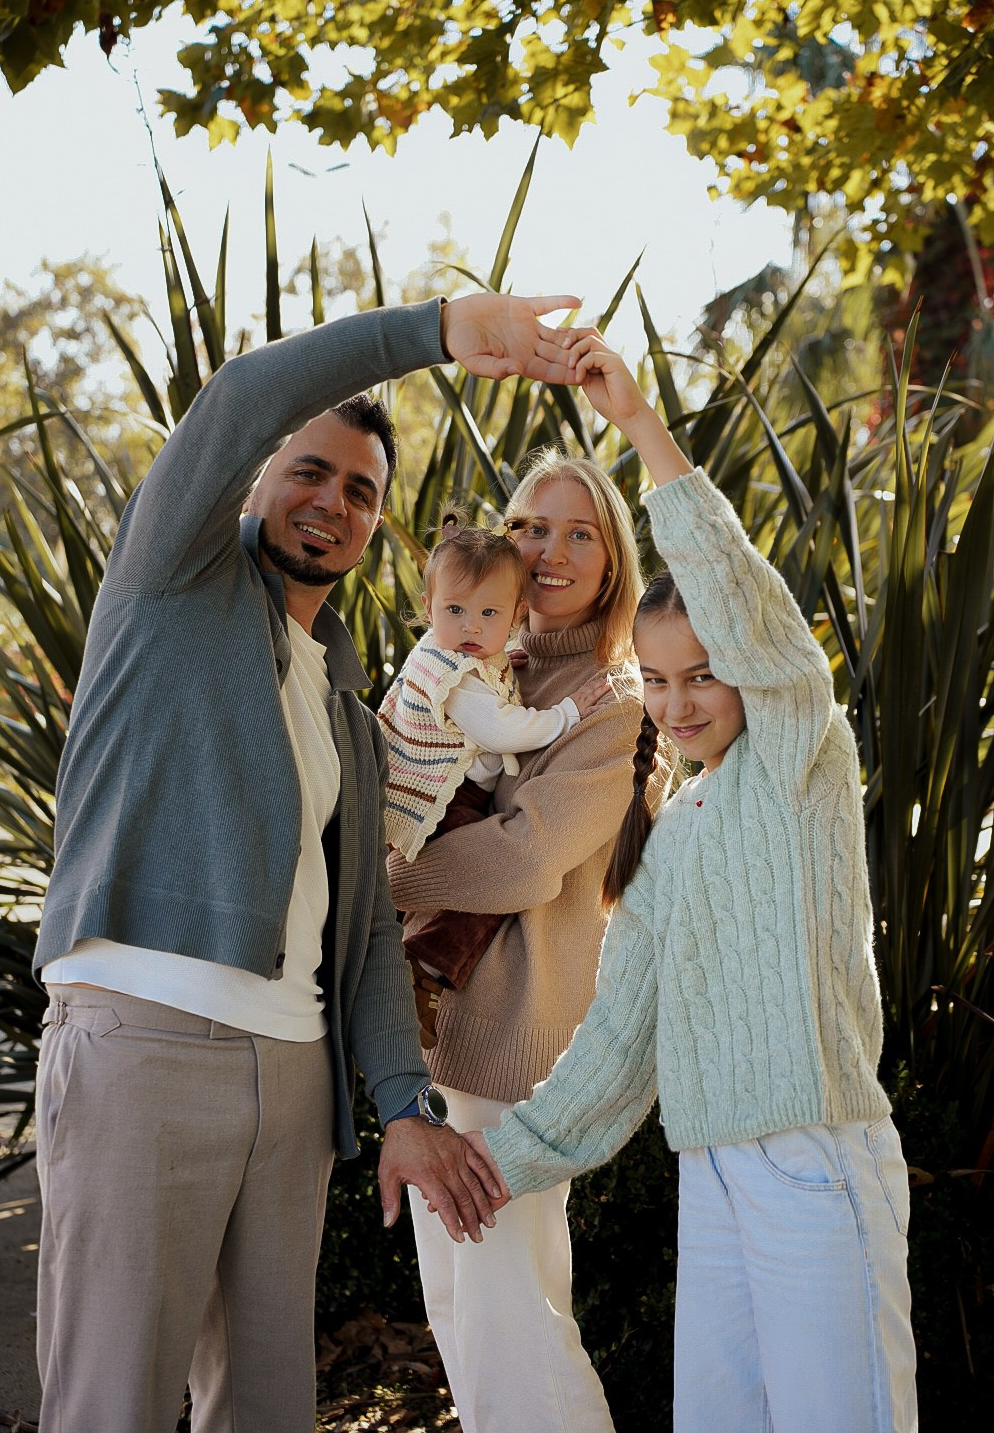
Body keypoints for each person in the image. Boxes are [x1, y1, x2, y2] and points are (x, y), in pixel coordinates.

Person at [30, 290, 581, 1433]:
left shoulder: (343, 694)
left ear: (377, 529)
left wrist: (402, 1104)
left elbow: (366, 920)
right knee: (111, 1404)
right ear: (258, 477)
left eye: (361, 492)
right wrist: (431, 333)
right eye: (310, 471)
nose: (331, 500)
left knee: (267, 1409)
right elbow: (239, 399)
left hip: (293, 1086)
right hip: (143, 1045)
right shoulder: (167, 582)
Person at [468, 332, 918, 1433]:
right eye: (659, 681)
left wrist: (639, 428)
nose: (677, 704)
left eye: (704, 675)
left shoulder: (799, 760)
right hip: (710, 1173)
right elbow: (621, 1039)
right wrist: (487, 1165)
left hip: (818, 1160)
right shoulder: (674, 834)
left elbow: (753, 618)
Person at [386, 451, 649, 1433]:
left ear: (612, 561)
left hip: (515, 1051)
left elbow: (526, 860)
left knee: (513, 1312)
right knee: (459, 1306)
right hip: (434, 1040)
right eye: (535, 527)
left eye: (580, 533)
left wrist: (385, 881)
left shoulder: (611, 698)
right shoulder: (476, 666)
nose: (551, 550)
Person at [377, 515, 612, 1044]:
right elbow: (502, 730)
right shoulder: (457, 675)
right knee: (485, 899)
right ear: (429, 607)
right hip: (445, 798)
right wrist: (567, 714)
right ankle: (422, 968)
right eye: (455, 611)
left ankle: (405, 965)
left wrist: (506, 657)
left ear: (515, 615)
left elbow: (492, 668)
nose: (471, 628)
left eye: (489, 614)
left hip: (436, 791)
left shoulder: (472, 658)